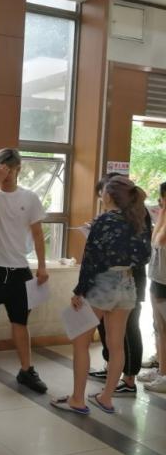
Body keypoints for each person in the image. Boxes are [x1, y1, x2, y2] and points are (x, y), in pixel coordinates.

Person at [51, 176, 151, 414]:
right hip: (128, 284)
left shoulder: (104, 220)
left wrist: (79, 291)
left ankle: (77, 399)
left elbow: (90, 260)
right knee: (117, 345)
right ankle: (106, 398)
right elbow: (145, 256)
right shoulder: (137, 219)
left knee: (81, 342)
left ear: (109, 196)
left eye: (103, 192)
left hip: (102, 284)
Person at [0, 148, 49, 393]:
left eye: (10, 170)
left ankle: (26, 369)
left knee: (20, 321)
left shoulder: (29, 197)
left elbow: (38, 234)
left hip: (19, 269)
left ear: (18, 169)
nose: (6, 174)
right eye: (0, 169)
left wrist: (42, 266)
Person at [87, 173, 152, 397]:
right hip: (109, 281)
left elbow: (142, 251)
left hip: (130, 279)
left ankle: (129, 378)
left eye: (103, 193)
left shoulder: (138, 213)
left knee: (128, 330)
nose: (102, 199)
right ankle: (111, 370)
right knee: (108, 331)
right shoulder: (112, 216)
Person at [140, 181, 166, 392]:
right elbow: (153, 240)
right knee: (159, 328)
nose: (160, 203)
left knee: (164, 329)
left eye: (162, 199)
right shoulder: (162, 219)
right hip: (157, 280)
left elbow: (159, 241)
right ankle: (161, 370)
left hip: (164, 283)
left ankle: (164, 374)